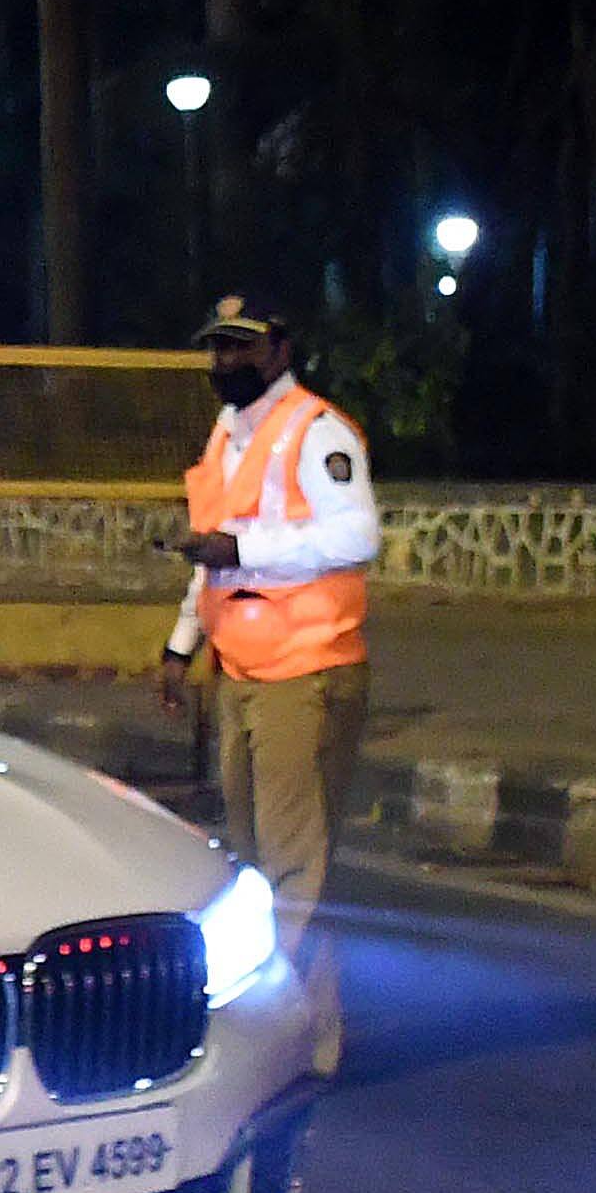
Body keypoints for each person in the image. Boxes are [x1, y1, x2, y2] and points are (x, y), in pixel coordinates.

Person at [163, 293, 376, 1073]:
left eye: (242, 349)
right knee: (257, 866)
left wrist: (243, 547)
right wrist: (181, 645)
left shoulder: (317, 430)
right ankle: (309, 1041)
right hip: (242, 671)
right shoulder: (226, 435)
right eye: (217, 349)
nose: (226, 363)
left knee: (291, 868)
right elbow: (209, 556)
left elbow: (357, 534)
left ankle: (269, 1042)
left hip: (307, 673)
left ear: (280, 351)